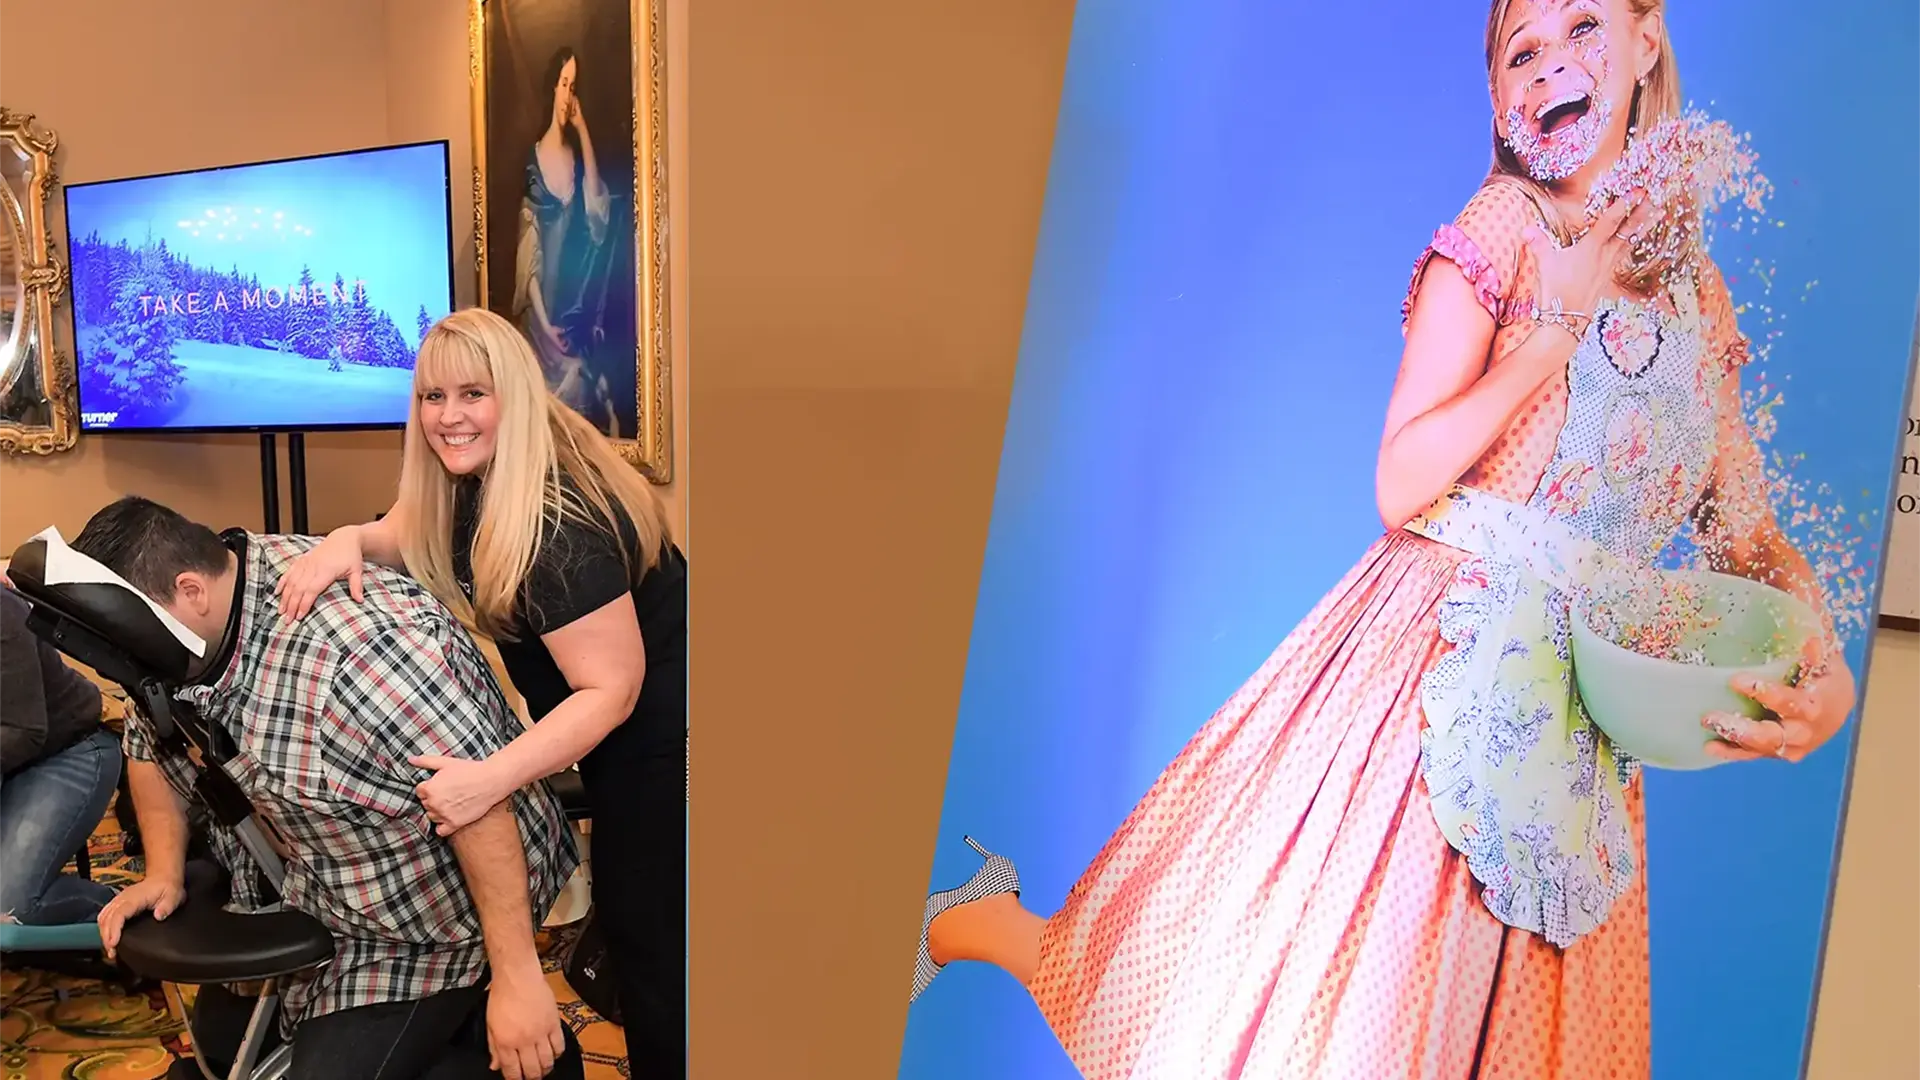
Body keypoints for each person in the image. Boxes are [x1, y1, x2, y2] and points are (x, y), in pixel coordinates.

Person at [904, 2, 1858, 1078]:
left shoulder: (1699, 294)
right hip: (1429, 700)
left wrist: (1822, 667)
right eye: (1521, 52)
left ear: (1649, 40)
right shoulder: (1502, 227)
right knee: (1248, 1011)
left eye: (1585, 26)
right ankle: (979, 924)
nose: (1553, 68)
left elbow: (1744, 533)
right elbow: (1400, 479)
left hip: (1577, 749)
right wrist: (1560, 326)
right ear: (1498, 94)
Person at [276, 306, 688, 1075]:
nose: (449, 417)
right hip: (628, 741)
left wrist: (489, 779)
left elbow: (613, 687)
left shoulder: (555, 527)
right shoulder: (478, 478)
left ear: (515, 397)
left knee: (662, 960)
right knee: (644, 944)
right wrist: (345, 542)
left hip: (675, 744)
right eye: (433, 398)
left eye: (473, 394)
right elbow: (407, 529)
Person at [71, 496, 585, 1080]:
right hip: (321, 878)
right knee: (221, 1047)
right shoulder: (178, 636)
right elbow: (148, 737)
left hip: (437, 912)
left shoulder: (364, 649)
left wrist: (518, 981)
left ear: (192, 591)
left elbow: (478, 802)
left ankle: (526, 1042)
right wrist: (161, 874)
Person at [0, 584, 120, 928]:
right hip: (12, 758)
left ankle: (127, 913)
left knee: (10, 907)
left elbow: (24, 731)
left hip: (70, 751)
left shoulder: (3, 611)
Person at [514, 44, 619, 435]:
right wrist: (544, 327)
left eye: (573, 85)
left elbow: (598, 218)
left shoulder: (576, 159)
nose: (568, 94)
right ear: (551, 89)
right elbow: (530, 262)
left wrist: (583, 130)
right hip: (542, 318)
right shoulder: (534, 161)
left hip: (573, 308)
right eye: (563, 83)